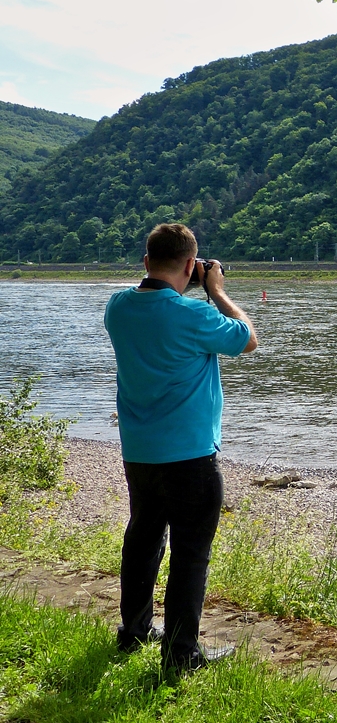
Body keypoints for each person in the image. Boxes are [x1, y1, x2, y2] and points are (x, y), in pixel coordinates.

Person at [104, 223, 258, 672]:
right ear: (191, 264)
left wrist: (187, 280)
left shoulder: (117, 307)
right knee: (190, 554)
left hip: (139, 451)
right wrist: (216, 290)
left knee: (143, 539)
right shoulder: (194, 315)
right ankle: (181, 654)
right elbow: (247, 338)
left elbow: (151, 298)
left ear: (145, 260)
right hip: (190, 456)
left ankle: (134, 631)